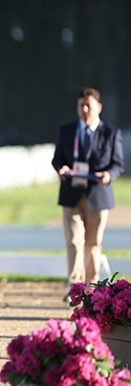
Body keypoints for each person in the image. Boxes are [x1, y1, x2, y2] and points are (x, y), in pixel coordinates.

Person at [51, 87, 124, 300]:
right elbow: (57, 159)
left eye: (88, 105)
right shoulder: (66, 131)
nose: (84, 109)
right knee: (73, 240)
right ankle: (74, 287)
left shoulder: (111, 133)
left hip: (98, 195)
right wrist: (61, 169)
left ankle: (91, 289)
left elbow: (118, 164)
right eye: (81, 105)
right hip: (71, 193)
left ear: (98, 107)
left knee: (92, 243)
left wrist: (108, 175)